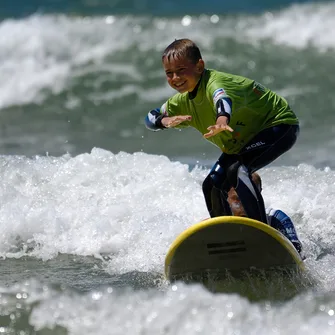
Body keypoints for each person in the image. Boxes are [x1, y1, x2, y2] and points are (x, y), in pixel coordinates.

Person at [144, 38, 299, 225]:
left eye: (181, 70)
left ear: (199, 66)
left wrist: (221, 119)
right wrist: (165, 120)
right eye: (169, 73)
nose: (175, 78)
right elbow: (150, 117)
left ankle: (261, 230)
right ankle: (226, 232)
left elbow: (222, 99)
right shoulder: (181, 102)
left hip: (278, 124)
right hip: (244, 142)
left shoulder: (214, 82)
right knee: (212, 186)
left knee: (239, 170)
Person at [228, 172, 303, 253]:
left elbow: (297, 253)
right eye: (237, 199)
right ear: (228, 196)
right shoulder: (217, 221)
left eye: (251, 199)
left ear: (259, 193)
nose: (244, 206)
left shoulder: (277, 219)